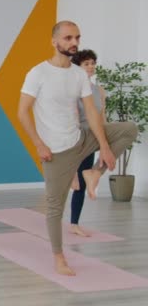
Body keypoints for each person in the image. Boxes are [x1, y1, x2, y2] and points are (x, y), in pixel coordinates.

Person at [18, 21, 138, 276]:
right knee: (54, 207)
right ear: (54, 41)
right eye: (68, 38)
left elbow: (92, 113)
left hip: (80, 139)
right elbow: (22, 112)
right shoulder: (38, 73)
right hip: (55, 151)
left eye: (77, 38)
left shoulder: (78, 74)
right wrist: (38, 144)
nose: (74, 42)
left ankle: (93, 173)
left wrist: (105, 148)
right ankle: (59, 257)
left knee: (129, 129)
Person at [69, 49, 107, 237]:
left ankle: (75, 223)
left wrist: (105, 142)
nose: (91, 66)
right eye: (86, 64)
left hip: (94, 136)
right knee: (77, 183)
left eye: (93, 63)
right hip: (79, 137)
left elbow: (102, 117)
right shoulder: (73, 90)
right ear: (78, 67)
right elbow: (73, 118)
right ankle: (74, 174)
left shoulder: (99, 90)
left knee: (84, 183)